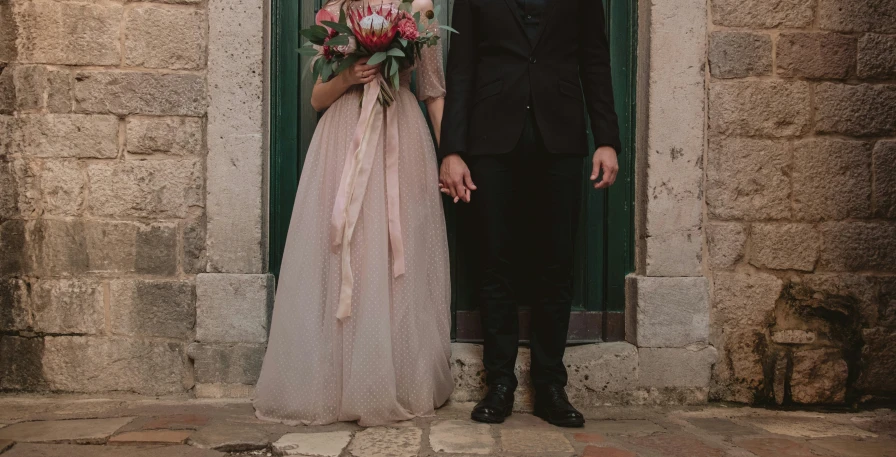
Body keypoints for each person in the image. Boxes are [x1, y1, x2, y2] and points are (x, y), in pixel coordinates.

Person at [253, 0, 453, 426]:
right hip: (344, 141)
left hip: (400, 137)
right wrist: (348, 76)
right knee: (351, 252)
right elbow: (317, 98)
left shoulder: (421, 11)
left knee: (396, 255)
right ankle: (341, 381)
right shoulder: (332, 13)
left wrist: (449, 154)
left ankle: (396, 378)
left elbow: (432, 91)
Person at [439, 0, 621, 427]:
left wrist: (607, 138)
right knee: (493, 261)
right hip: (489, 138)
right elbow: (461, 67)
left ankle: (550, 385)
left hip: (560, 137)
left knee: (556, 263)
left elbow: (594, 60)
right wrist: (452, 149)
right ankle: (499, 383)